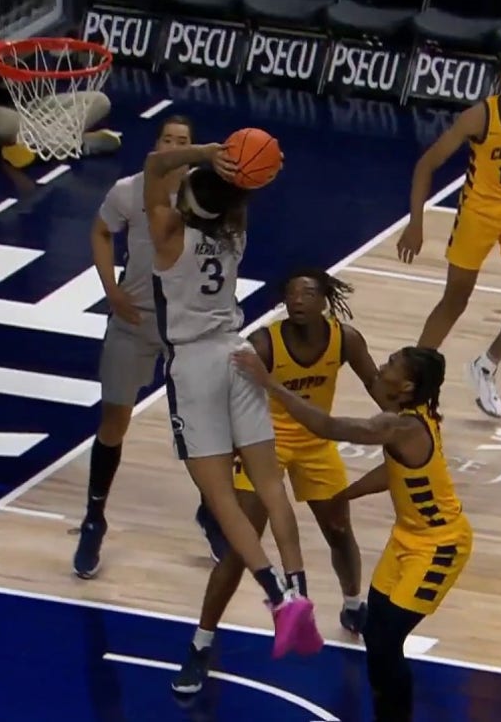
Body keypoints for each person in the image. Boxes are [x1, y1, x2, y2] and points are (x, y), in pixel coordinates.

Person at [143, 141, 322, 659]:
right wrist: (241, 165)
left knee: (222, 498)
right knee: (270, 486)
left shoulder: (167, 233)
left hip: (194, 363)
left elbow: (155, 168)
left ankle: (276, 599)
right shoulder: (235, 233)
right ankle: (301, 591)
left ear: (185, 202)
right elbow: (237, 191)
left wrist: (204, 152)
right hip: (239, 354)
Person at [233, 344, 468, 722]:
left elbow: (328, 427)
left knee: (388, 641)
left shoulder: (400, 426)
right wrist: (348, 493)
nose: (384, 364)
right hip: (407, 537)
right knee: (375, 634)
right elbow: (398, 473)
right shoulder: (415, 414)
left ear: (406, 386)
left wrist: (269, 383)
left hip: (440, 546)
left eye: (392, 364)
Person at [172, 268, 378, 694]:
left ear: (325, 298)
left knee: (339, 530)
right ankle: (201, 644)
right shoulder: (265, 343)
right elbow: (234, 399)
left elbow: (375, 383)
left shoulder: (346, 340)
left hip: (317, 441)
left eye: (308, 292)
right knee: (237, 550)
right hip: (265, 442)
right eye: (291, 293)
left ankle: (354, 604)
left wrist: (407, 415)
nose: (298, 299)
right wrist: (228, 450)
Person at [72, 114, 229, 579]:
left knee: (203, 428)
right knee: (114, 422)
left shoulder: (205, 194)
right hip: (135, 319)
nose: (174, 145)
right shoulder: (129, 189)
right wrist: (111, 289)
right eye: (168, 139)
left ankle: (209, 512)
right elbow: (100, 232)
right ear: (158, 143)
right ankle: (94, 518)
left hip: (187, 326)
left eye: (184, 140)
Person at [397, 49, 501, 418]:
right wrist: (416, 223)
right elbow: (426, 165)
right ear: (499, 78)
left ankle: (485, 366)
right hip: (478, 212)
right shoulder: (479, 116)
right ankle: (412, 380)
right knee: (455, 299)